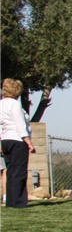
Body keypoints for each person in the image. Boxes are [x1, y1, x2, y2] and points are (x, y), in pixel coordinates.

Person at [1, 78, 35, 208]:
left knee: (10, 172)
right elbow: (20, 124)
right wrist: (28, 141)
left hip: (5, 140)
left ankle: (10, 201)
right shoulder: (14, 105)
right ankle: (19, 202)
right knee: (19, 172)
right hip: (17, 140)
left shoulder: (1, 104)